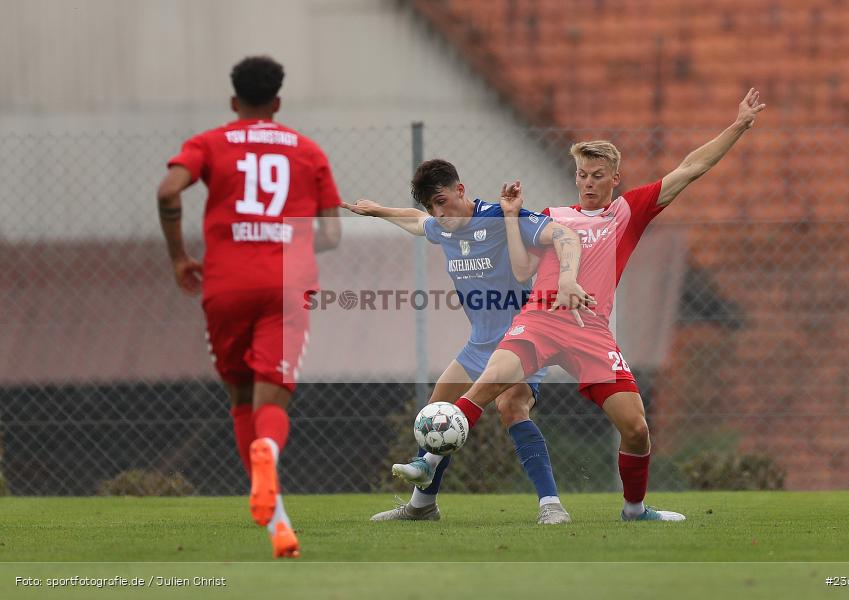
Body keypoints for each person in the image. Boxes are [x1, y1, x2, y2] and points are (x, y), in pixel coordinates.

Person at [392, 89, 766, 522]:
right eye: (581, 174)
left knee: (637, 427)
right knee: (487, 386)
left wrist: (737, 126)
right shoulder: (551, 216)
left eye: (596, 174)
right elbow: (514, 263)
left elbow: (690, 168)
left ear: (614, 178)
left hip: (590, 331)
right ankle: (429, 463)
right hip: (539, 322)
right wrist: (508, 220)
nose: (587, 182)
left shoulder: (628, 212)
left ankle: (635, 509)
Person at [156, 56, 342, 557]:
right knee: (273, 398)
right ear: (277, 102)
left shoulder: (211, 142)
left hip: (227, 285)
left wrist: (178, 257)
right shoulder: (308, 151)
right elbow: (330, 233)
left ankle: (277, 523)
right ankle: (270, 451)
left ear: (234, 101)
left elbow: (168, 190)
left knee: (240, 396)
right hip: (286, 286)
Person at [342, 159, 590, 524]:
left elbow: (564, 235)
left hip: (523, 340)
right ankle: (422, 507)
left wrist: (568, 278)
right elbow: (415, 221)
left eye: (441, 201)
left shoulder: (502, 216)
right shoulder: (443, 227)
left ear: (461, 190)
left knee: (511, 408)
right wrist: (377, 210)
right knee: (437, 409)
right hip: (479, 344)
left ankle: (551, 505)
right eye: (432, 207)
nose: (438, 213)